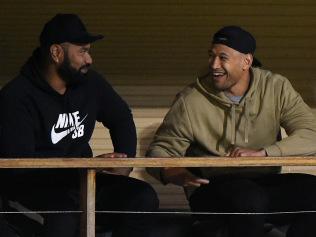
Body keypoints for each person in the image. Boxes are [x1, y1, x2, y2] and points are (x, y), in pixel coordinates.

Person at [146, 25, 316, 237]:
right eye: (211, 56)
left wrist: (263, 153)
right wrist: (173, 172)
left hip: (263, 183)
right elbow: (160, 150)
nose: (214, 64)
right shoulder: (190, 99)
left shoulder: (276, 87)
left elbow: (311, 134)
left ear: (246, 61)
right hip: (212, 187)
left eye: (222, 57)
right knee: (249, 197)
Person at [0, 13, 159, 237]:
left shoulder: (90, 83)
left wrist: (125, 162)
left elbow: (121, 117)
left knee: (141, 197)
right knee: (64, 218)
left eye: (88, 51)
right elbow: (21, 168)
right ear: (56, 53)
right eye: (82, 51)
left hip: (83, 181)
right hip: (34, 190)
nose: (89, 59)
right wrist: (87, 166)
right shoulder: (16, 96)